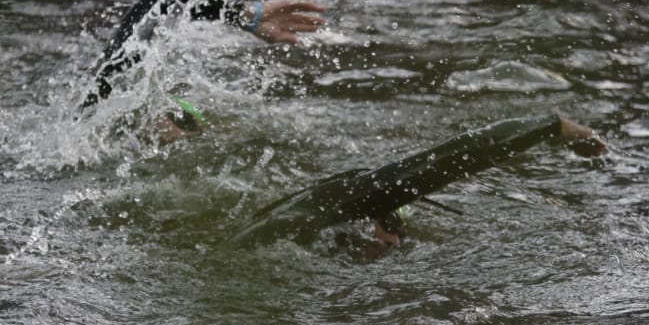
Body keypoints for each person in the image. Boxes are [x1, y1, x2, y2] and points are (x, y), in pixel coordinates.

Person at [230, 111, 609, 251]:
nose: (396, 242)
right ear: (375, 217)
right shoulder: (331, 207)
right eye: (394, 227)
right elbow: (446, 161)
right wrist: (552, 127)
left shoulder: (302, 230)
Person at [83, 0, 329, 119]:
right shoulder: (96, 104)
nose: (180, 128)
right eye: (183, 121)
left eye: (186, 121)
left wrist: (243, 14)